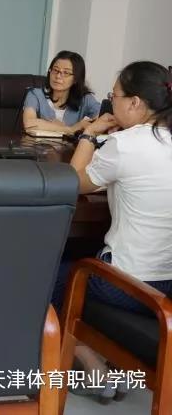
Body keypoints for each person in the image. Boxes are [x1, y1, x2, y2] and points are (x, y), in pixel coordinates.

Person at [56, 61, 172, 403]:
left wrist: (90, 134)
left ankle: (93, 367)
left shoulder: (125, 144)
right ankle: (107, 360)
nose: (112, 102)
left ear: (135, 102)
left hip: (126, 287)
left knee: (54, 275)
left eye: (115, 96)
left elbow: (71, 182)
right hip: (167, 286)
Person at [22, 51, 100, 134]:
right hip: (39, 143)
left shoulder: (85, 99)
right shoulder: (35, 94)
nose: (58, 76)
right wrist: (70, 129)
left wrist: (89, 126)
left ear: (76, 79)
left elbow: (104, 119)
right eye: (55, 70)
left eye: (66, 72)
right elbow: (29, 124)